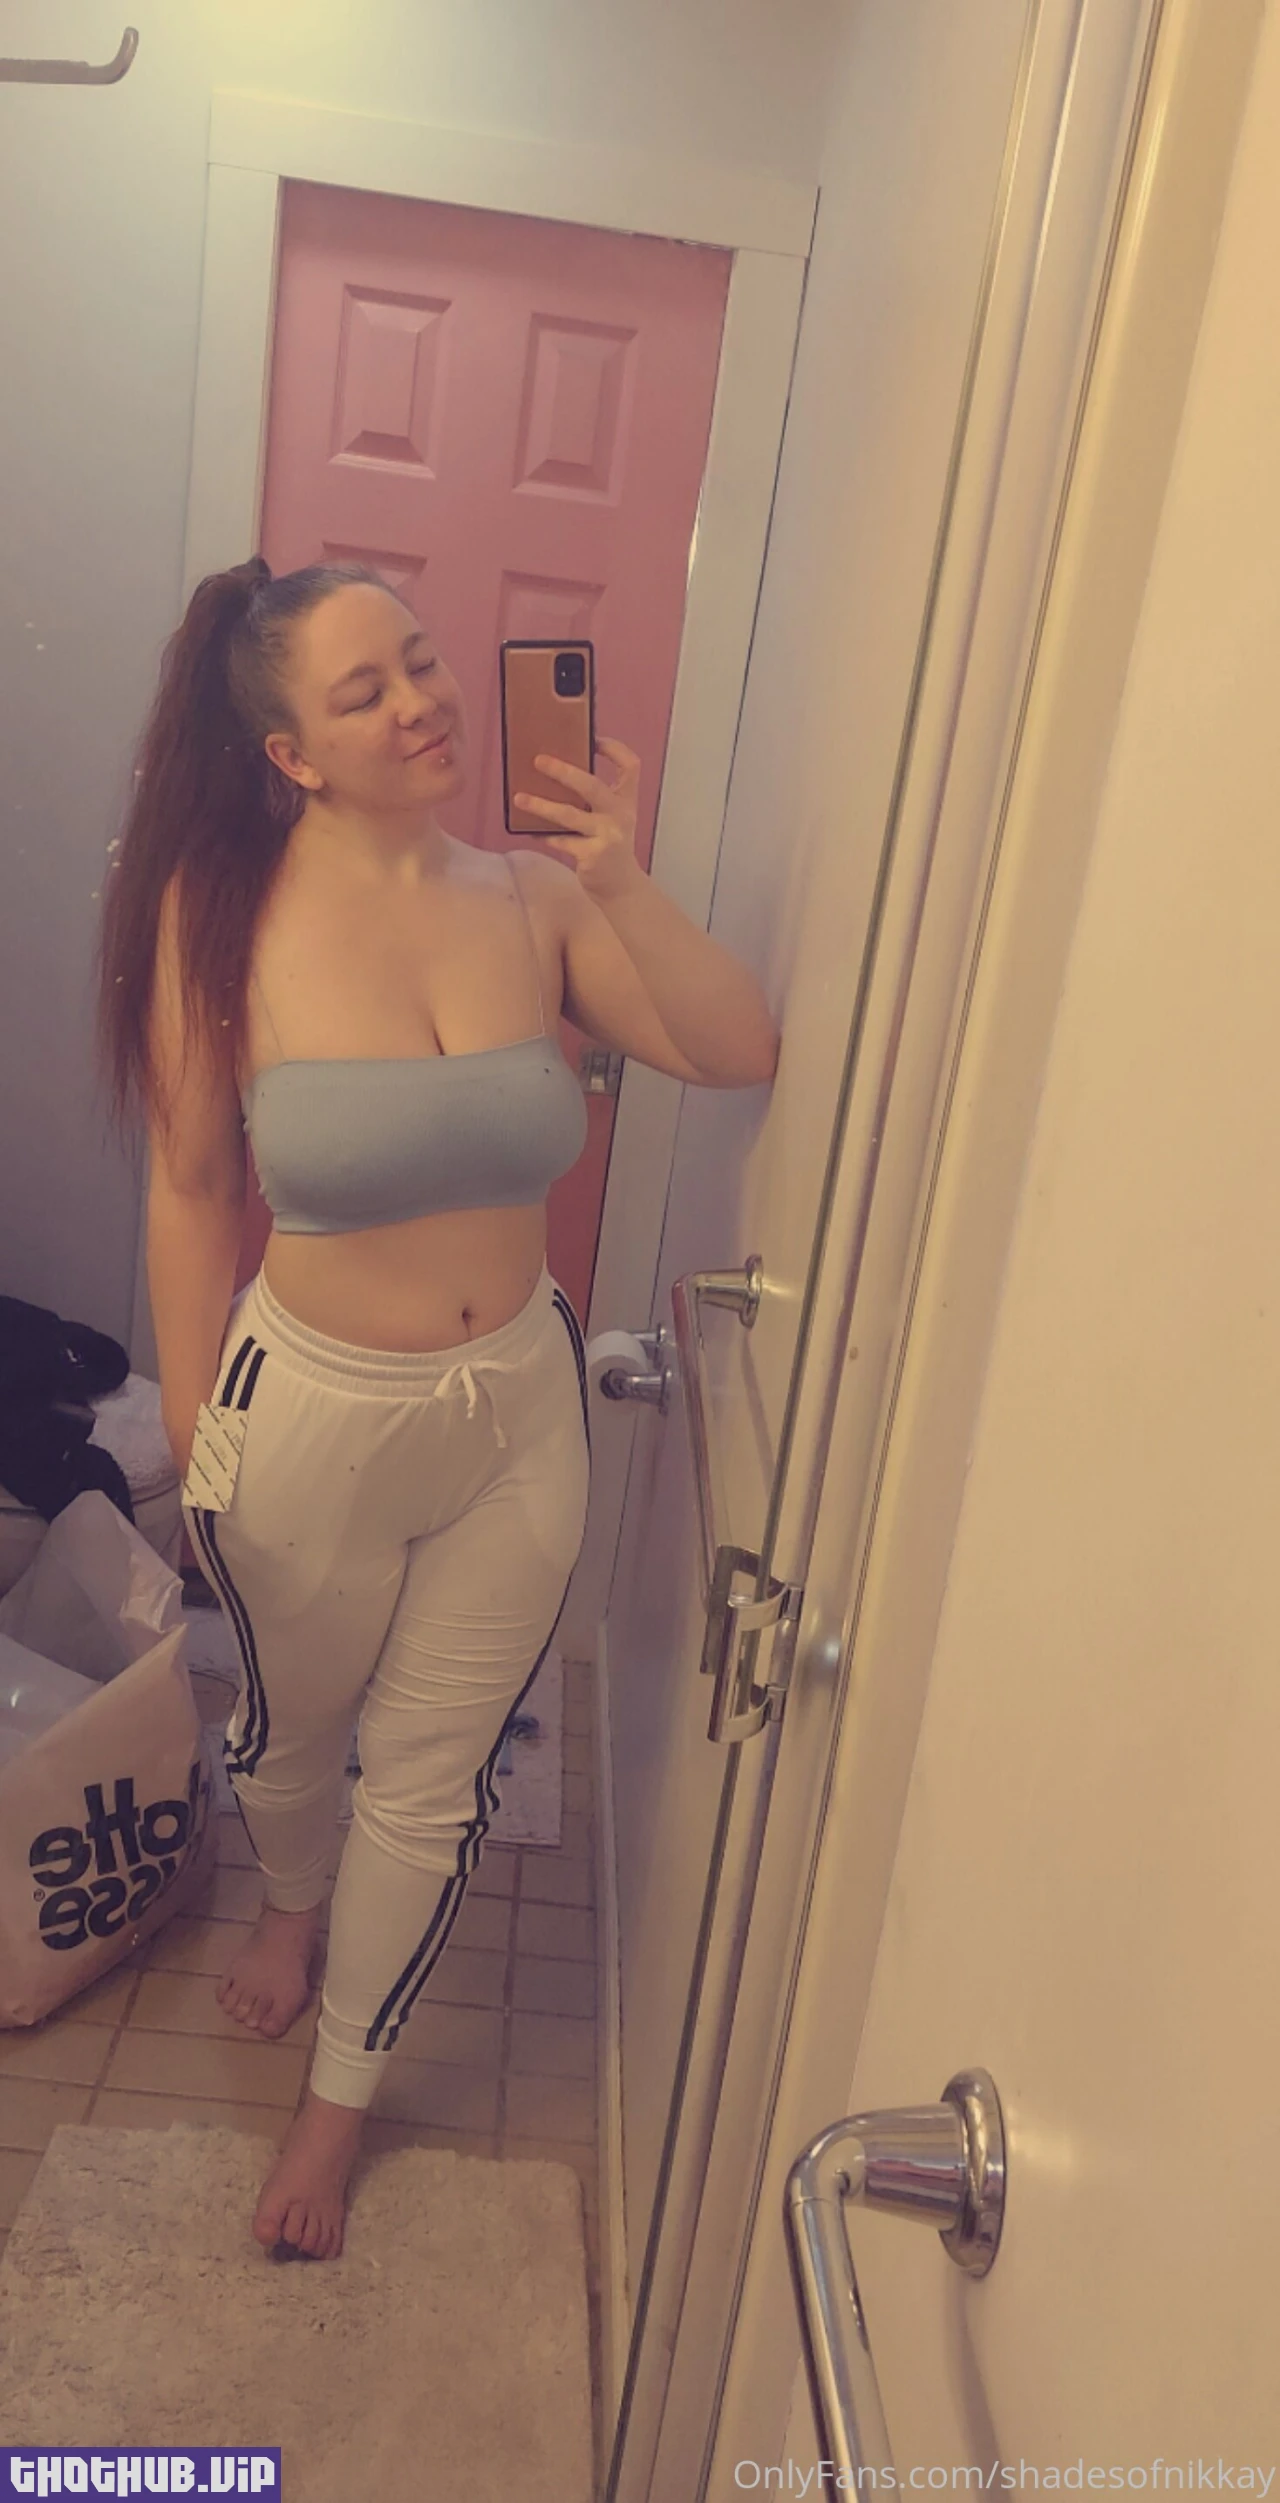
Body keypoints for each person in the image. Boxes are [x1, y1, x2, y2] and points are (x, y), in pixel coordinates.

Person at [96, 556, 779, 2259]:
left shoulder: (537, 900)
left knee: (431, 1775)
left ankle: (341, 2096)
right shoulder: (218, 917)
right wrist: (192, 1421)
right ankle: (290, 1904)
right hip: (309, 1411)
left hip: (519, 1410)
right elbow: (191, 1185)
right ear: (292, 753)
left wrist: (618, 875)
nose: (421, 701)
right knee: (288, 1734)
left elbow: (734, 1046)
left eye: (419, 660)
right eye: (365, 691)